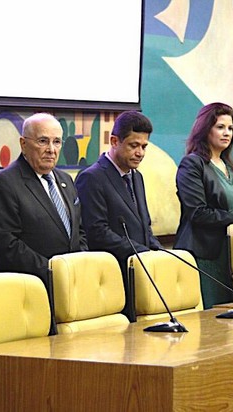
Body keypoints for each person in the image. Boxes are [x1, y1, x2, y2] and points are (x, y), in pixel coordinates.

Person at [174, 103, 233, 308]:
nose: (227, 133)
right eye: (220, 127)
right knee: (210, 323)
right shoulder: (192, 164)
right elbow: (198, 213)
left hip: (232, 255)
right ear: (205, 129)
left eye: (230, 128)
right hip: (203, 256)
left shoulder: (230, 166)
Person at [0, 113, 87, 285]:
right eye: (43, 141)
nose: (51, 150)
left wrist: (76, 266)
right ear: (23, 144)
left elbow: (80, 231)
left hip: (71, 284)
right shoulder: (4, 184)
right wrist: (54, 271)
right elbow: (8, 246)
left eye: (57, 142)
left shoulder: (66, 180)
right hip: (29, 287)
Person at [75, 111, 162, 301]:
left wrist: (161, 253)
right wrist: (142, 252)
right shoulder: (92, 177)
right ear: (114, 141)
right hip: (112, 276)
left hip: (141, 272)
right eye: (134, 145)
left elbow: (143, 226)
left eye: (144, 147)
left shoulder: (136, 176)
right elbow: (97, 232)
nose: (140, 153)